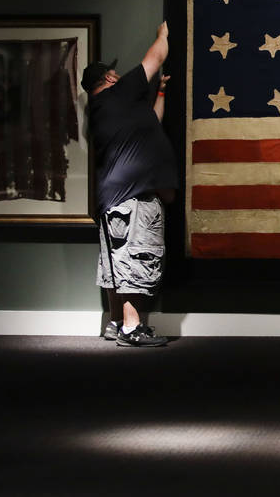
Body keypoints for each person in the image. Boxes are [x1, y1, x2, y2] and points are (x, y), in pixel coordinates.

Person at [82, 21, 178, 347]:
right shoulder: (118, 94)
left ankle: (115, 323)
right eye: (115, 74)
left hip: (113, 199)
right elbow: (156, 56)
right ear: (109, 79)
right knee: (134, 258)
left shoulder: (105, 110)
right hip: (132, 197)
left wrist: (161, 91)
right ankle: (131, 327)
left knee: (114, 261)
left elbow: (150, 124)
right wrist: (162, 34)